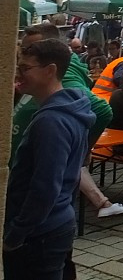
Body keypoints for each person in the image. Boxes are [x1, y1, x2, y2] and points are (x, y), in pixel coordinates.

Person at [4, 39, 94, 280]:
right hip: (56, 222)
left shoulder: (51, 121)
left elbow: (45, 187)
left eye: (25, 68)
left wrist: (16, 234)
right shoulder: (71, 108)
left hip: (39, 232)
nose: (19, 74)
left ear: (50, 70)